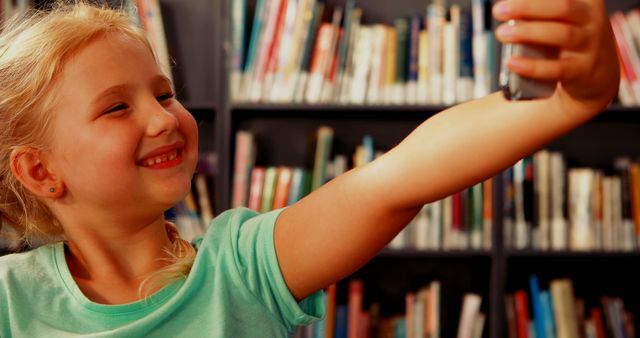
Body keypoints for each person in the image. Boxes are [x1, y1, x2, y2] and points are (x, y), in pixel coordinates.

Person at [0, 0, 618, 336]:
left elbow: (397, 179)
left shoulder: (241, 267)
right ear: (39, 171)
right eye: (115, 108)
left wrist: (571, 100)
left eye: (164, 94)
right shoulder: (9, 298)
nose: (165, 119)